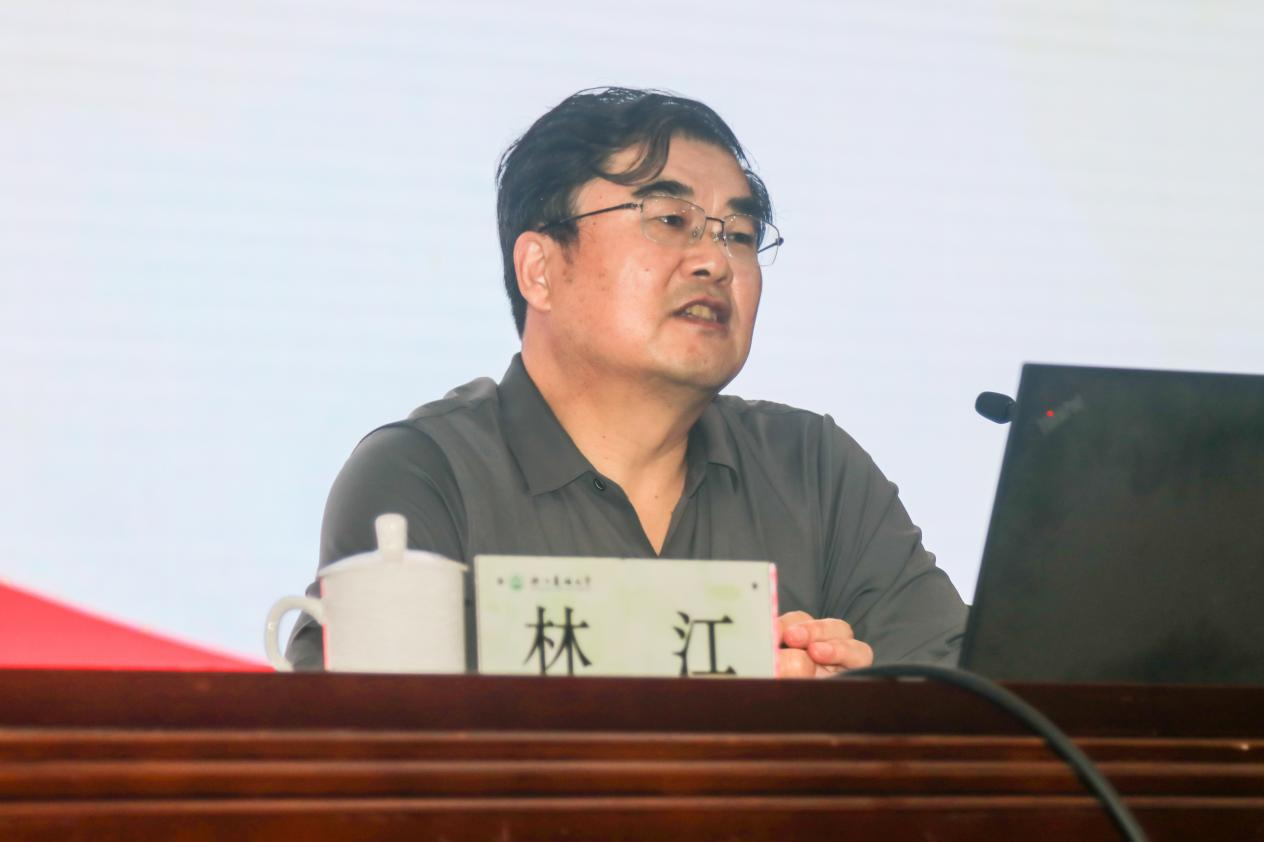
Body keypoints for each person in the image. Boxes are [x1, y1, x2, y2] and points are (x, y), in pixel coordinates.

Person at [286, 87, 966, 675]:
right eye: (671, 220)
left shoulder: (813, 470)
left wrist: (850, 710)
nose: (715, 261)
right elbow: (368, 752)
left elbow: (983, 712)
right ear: (540, 270)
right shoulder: (425, 477)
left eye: (738, 233)